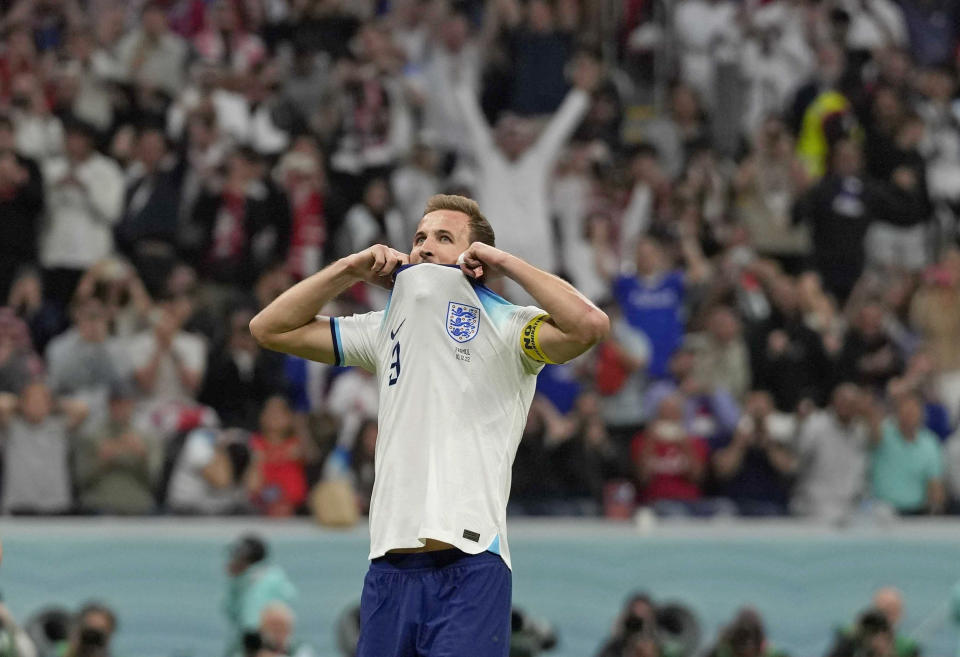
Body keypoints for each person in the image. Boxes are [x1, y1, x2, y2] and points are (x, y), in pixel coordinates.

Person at [250, 193, 609, 657]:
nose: (423, 246)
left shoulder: (510, 326)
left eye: (443, 238)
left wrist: (503, 261)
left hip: (471, 563)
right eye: (419, 237)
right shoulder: (382, 329)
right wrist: (348, 271)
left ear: (473, 257)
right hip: (389, 564)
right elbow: (269, 329)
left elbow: (588, 324)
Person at [870, 393, 946, 514]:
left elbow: (935, 482)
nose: (909, 415)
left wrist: (937, 507)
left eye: (913, 411)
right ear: (896, 413)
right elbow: (872, 427)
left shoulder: (930, 442)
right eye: (905, 411)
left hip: (917, 511)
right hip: (882, 510)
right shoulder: (883, 433)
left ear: (921, 414)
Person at [223, 534, 297, 657]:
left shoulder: (256, 583)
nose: (230, 562)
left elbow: (250, 625)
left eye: (235, 557)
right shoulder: (250, 581)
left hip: (257, 646)